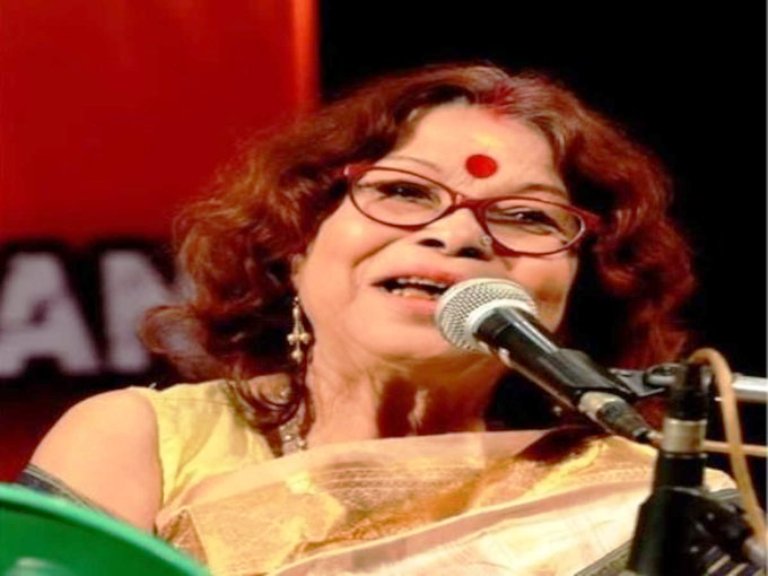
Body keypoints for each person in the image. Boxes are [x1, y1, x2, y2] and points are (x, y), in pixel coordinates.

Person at [20, 63, 731, 575]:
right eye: (404, 191)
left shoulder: (648, 499)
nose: (458, 235)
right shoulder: (145, 443)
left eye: (528, 216)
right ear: (296, 245)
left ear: (581, 289)